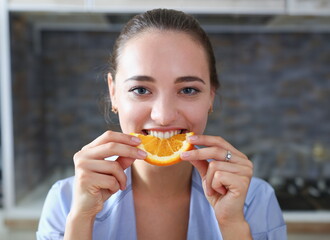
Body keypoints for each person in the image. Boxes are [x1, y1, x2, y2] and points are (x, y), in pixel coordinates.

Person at [37, 8, 287, 240]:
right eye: (141, 89)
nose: (164, 116)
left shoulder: (254, 200)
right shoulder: (66, 202)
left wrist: (233, 225)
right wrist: (81, 220)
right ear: (113, 92)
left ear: (211, 94)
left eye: (188, 89)